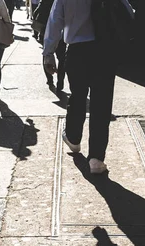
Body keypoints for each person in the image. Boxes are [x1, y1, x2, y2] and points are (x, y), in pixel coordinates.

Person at [43, 0, 118, 174]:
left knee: (77, 96)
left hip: (77, 51)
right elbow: (127, 12)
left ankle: (73, 138)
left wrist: (48, 53)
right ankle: (96, 159)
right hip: (105, 50)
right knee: (102, 102)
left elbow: (55, 21)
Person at [33, 0, 65, 92]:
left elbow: (36, 13)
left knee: (46, 55)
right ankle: (60, 82)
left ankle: (50, 80)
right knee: (62, 58)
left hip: (45, 31)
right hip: (60, 33)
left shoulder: (44, 1)